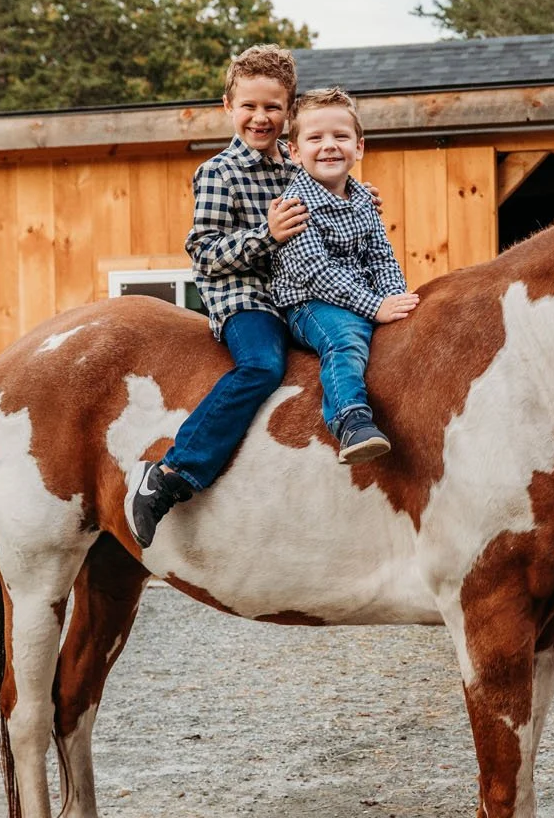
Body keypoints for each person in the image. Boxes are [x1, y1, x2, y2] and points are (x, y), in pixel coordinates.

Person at [128, 45, 309, 547]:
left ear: (289, 112)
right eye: (249, 106)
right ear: (228, 107)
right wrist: (266, 236)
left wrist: (354, 198)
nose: (260, 116)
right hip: (244, 298)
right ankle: (171, 473)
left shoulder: (300, 171)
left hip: (296, 295)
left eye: (273, 106)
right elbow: (204, 254)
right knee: (263, 366)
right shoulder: (218, 173)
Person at [267, 87, 418, 462]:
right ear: (295, 152)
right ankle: (349, 419)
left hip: (358, 297)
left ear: (359, 147)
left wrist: (394, 299)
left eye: (341, 136)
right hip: (309, 304)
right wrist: (375, 306)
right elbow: (318, 274)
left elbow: (382, 257)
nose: (329, 146)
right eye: (315, 138)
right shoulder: (294, 205)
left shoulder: (364, 200)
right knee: (345, 337)